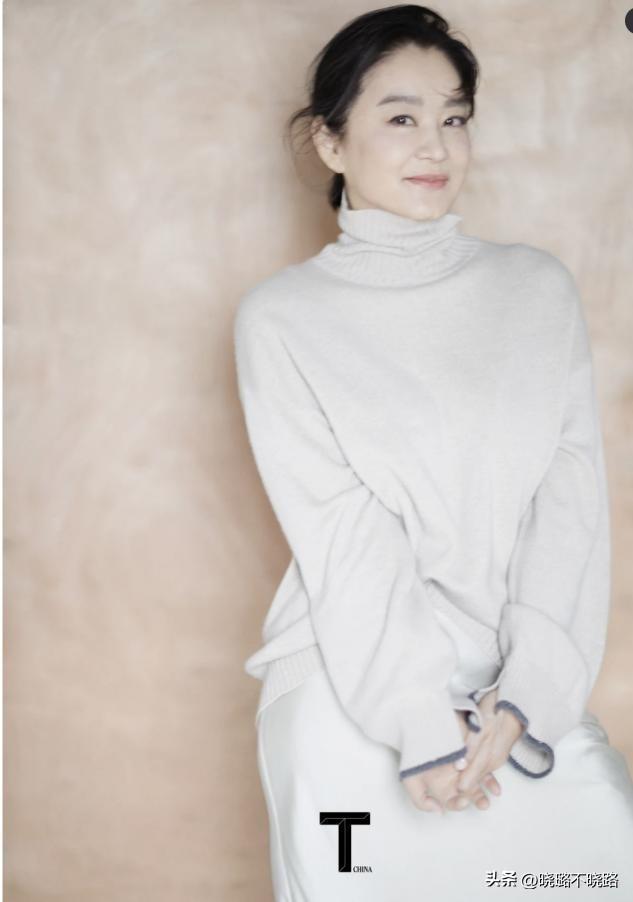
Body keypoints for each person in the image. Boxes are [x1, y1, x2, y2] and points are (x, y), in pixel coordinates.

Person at [233, 5, 633, 900]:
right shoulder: (283, 317)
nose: (434, 146)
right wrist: (419, 725)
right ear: (330, 142)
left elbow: (568, 508)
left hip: (515, 693)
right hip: (351, 686)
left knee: (597, 863)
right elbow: (343, 533)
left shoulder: (535, 289)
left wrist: (527, 698)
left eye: (454, 118)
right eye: (400, 117)